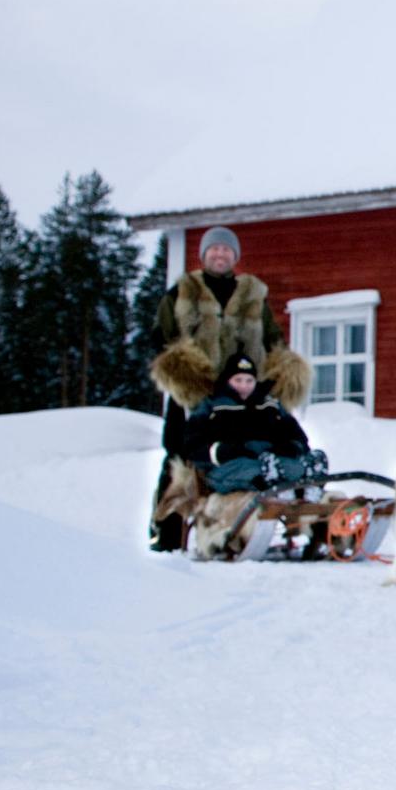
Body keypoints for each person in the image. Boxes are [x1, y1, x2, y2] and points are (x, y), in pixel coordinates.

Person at [147, 225, 312, 549]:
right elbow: (162, 338)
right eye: (214, 249)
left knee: (255, 447)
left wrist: (276, 379)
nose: (220, 254)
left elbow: (273, 340)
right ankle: (166, 532)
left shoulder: (252, 294)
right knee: (180, 458)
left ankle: (250, 520)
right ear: (204, 254)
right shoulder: (182, 291)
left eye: (226, 250)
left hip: (243, 392)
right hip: (195, 394)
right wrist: (185, 377)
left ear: (234, 256)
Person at [182, 353, 328, 493]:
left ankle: (310, 483)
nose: (244, 386)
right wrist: (219, 451)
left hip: (270, 459)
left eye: (249, 381)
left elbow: (296, 434)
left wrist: (292, 446)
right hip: (229, 465)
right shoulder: (212, 405)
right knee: (255, 473)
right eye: (238, 380)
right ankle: (277, 486)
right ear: (227, 380)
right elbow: (192, 444)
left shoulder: (269, 404)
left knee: (293, 468)